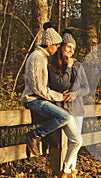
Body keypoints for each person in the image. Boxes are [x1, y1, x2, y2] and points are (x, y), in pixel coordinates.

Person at [22, 22, 70, 157]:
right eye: (56, 45)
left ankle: (45, 136)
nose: (58, 48)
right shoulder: (37, 58)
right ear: (49, 44)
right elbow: (38, 88)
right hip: (33, 100)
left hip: (38, 98)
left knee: (62, 113)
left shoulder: (42, 57)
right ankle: (34, 135)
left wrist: (60, 95)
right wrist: (60, 97)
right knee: (64, 116)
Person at [48, 30, 89, 178]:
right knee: (75, 140)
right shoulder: (53, 64)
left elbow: (86, 88)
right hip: (62, 108)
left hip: (77, 108)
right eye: (68, 47)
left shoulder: (78, 65)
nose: (71, 51)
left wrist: (75, 93)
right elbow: (57, 84)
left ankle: (70, 174)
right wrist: (69, 67)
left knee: (75, 143)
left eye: (73, 48)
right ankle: (65, 171)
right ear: (61, 47)